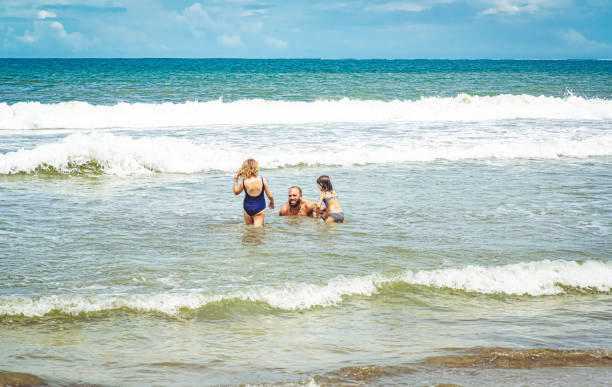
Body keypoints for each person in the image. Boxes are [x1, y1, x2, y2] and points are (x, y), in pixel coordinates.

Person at [233, 159, 274, 227]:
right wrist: (272, 202)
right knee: (257, 232)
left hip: (247, 208)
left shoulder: (244, 181)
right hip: (259, 208)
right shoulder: (262, 180)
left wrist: (236, 180)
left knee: (249, 230)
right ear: (256, 168)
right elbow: (270, 196)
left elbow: (236, 192)